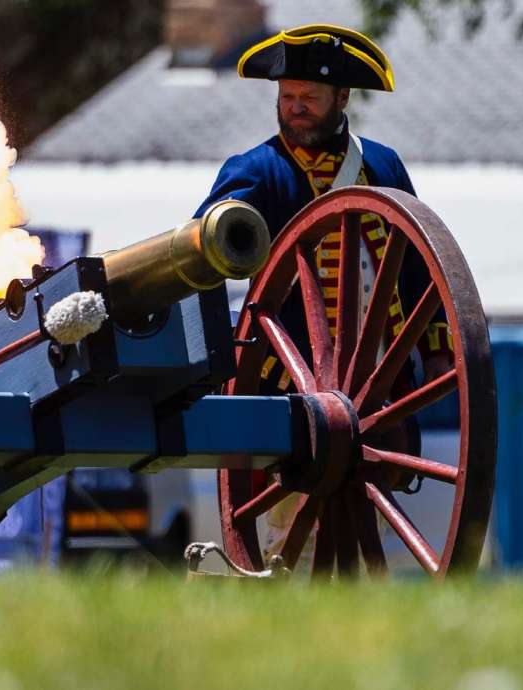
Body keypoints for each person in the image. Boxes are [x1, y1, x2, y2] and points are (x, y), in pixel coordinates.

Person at [194, 25, 451, 558]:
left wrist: (439, 350)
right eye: (287, 98)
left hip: (374, 384)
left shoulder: (383, 166)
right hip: (289, 382)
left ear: (343, 98)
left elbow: (417, 269)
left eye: (309, 98)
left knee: (366, 529)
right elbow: (208, 244)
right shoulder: (256, 171)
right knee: (291, 535)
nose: (295, 109)